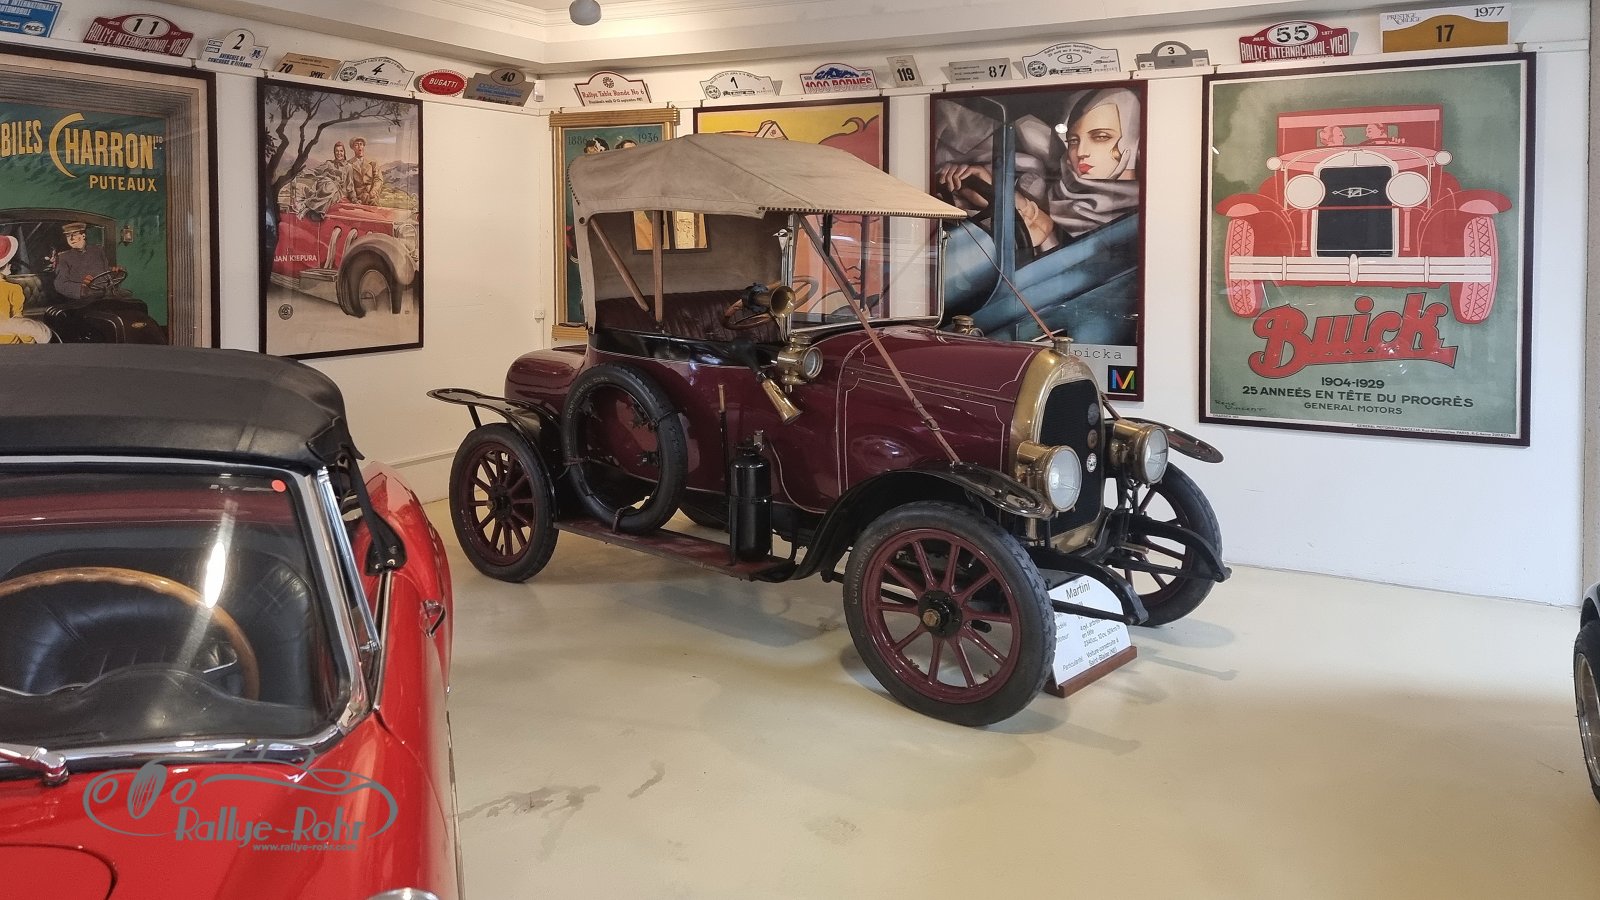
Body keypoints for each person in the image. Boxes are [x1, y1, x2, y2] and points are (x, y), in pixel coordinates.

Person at [934, 87, 1141, 254]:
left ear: (1132, 141)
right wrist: (991, 187)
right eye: (1073, 140)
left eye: (1101, 137)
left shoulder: (1139, 218)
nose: (1080, 152)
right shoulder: (1051, 189)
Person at [52, 222, 126, 302]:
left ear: (83, 235)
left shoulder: (97, 251)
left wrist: (115, 273)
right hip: (82, 302)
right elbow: (60, 284)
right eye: (68, 236)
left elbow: (105, 271)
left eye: (75, 234)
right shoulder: (64, 257)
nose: (71, 238)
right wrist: (81, 289)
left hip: (104, 297)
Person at [0, 235, 49, 343]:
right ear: (5, 264)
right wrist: (30, 342)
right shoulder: (13, 289)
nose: (11, 265)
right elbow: (19, 324)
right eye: (10, 261)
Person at [300, 140, 352, 219]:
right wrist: (302, 172)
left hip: (338, 193)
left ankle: (310, 207)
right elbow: (316, 171)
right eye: (337, 151)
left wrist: (354, 199)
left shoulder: (348, 167)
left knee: (332, 188)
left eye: (341, 151)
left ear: (344, 152)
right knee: (329, 183)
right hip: (326, 186)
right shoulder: (329, 163)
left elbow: (350, 186)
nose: (339, 153)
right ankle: (313, 209)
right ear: (334, 152)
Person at [347, 136, 383, 205]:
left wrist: (374, 191)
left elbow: (378, 179)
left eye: (361, 144)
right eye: (356, 145)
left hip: (371, 196)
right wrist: (354, 199)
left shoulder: (373, 162)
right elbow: (350, 184)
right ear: (353, 148)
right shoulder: (349, 164)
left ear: (363, 146)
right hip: (357, 198)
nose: (359, 147)